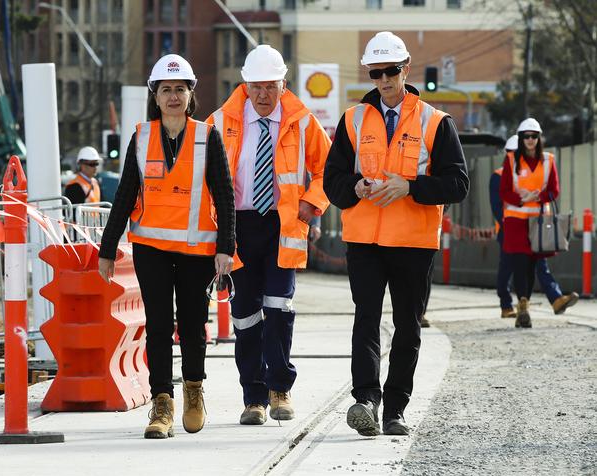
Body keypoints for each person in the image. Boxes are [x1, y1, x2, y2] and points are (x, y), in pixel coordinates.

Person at [324, 31, 469, 436]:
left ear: (406, 69)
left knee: (407, 325)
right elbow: (331, 182)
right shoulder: (352, 121)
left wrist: (410, 187)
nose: (384, 80)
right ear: (370, 74)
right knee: (366, 319)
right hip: (365, 241)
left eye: (391, 71)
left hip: (412, 243)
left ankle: (395, 409)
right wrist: (354, 187)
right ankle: (366, 400)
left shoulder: (435, 122)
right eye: (376, 73)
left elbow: (458, 184)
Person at [97, 54, 236, 439]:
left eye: (180, 90)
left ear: (191, 95)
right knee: (158, 326)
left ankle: (193, 390)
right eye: (166, 90)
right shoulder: (141, 137)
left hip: (197, 251)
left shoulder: (208, 136)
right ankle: (162, 404)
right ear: (155, 96)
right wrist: (108, 249)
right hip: (151, 249)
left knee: (193, 325)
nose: (173, 96)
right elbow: (125, 194)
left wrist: (226, 246)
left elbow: (224, 195)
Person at [207, 45, 331, 426]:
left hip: (283, 225)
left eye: (271, 87)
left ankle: (280, 389)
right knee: (245, 316)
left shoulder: (302, 121)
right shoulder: (219, 121)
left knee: (279, 309)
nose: (263, 95)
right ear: (245, 85)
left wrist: (313, 204)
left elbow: (331, 166)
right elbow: (201, 178)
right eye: (256, 87)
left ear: (283, 83)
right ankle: (253, 398)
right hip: (236, 227)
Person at [491, 135, 578, 318]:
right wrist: (507, 225)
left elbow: (550, 190)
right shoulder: (499, 175)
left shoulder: (539, 166)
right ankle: (507, 304)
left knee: (540, 265)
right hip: (509, 230)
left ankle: (555, 299)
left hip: (534, 226)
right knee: (509, 269)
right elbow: (497, 205)